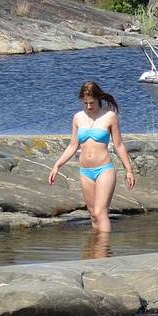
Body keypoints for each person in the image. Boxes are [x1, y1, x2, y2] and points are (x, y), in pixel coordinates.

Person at [48, 80, 135, 233]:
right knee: (93, 215)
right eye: (85, 103)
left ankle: (104, 251)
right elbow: (73, 145)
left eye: (92, 102)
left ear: (98, 99)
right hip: (85, 171)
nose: (89, 106)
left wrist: (129, 170)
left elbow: (119, 144)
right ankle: (96, 251)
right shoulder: (78, 117)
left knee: (101, 213)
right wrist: (57, 165)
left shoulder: (109, 116)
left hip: (104, 170)